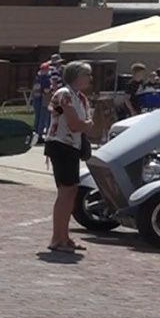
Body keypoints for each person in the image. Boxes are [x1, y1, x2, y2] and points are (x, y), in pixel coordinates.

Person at [42, 61, 94, 253]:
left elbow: (85, 124)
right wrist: (86, 124)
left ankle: (65, 236)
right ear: (75, 76)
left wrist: (85, 124)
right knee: (65, 191)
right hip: (61, 145)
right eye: (86, 74)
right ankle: (57, 238)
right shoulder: (64, 94)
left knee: (72, 190)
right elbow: (74, 124)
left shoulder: (81, 98)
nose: (90, 78)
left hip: (73, 146)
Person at [31, 61, 53, 141]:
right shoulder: (45, 79)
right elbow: (46, 90)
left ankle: (35, 133)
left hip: (36, 98)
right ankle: (39, 135)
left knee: (37, 116)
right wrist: (52, 89)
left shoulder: (37, 78)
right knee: (43, 117)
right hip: (44, 99)